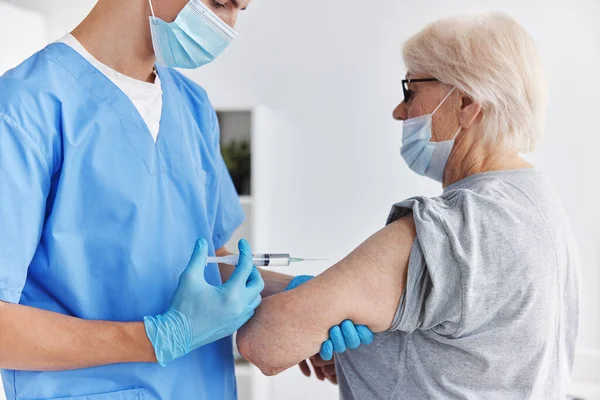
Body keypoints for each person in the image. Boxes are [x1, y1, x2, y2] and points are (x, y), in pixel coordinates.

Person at [0, 0, 371, 399]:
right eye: (221, 3)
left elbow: (208, 264)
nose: (227, 26)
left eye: (239, 11)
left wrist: (298, 299)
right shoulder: (25, 106)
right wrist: (158, 338)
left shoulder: (191, 107)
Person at [236, 12, 580, 399]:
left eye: (410, 91)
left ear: (467, 102)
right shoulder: (537, 204)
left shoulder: (454, 229)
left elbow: (265, 342)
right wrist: (345, 332)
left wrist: (309, 312)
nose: (399, 111)